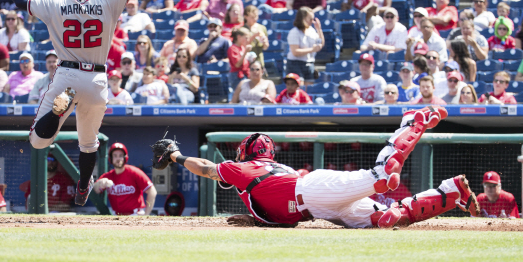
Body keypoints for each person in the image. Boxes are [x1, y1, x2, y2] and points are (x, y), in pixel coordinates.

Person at [2, 0, 149, 206]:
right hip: (96, 81)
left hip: (67, 76)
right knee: (88, 143)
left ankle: (59, 110)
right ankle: (84, 184)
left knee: (37, 141)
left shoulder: (56, 2)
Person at [152, 107, 481, 230]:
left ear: (251, 152)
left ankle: (410, 123)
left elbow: (208, 168)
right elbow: (278, 216)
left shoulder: (249, 168)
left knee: (383, 180)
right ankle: (451, 192)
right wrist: (256, 222)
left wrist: (177, 156)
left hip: (312, 192)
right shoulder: (264, 171)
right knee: (387, 217)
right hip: (318, 205)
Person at [94, 143, 157, 215]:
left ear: (125, 157)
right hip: (116, 215)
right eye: (115, 156)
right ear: (110, 158)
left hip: (135, 214)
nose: (118, 159)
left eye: (120, 156)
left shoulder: (134, 172)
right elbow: (95, 190)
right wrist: (100, 184)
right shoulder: (108, 176)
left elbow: (152, 191)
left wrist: (146, 214)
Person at [286, 7, 324, 84]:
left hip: (309, 63)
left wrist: (319, 30)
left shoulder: (312, 31)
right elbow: (295, 52)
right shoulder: (294, 32)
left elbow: (320, 44)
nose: (312, 21)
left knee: (309, 90)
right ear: (303, 18)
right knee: (299, 88)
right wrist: (312, 50)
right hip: (295, 64)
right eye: (310, 19)